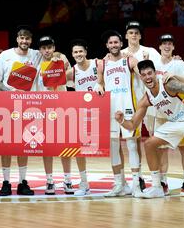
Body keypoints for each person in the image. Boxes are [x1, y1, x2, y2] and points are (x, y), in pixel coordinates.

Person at [115, 59, 184, 201]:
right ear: (141, 77)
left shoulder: (168, 84)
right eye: (144, 75)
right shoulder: (147, 98)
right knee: (149, 144)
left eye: (150, 73)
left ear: (155, 73)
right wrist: (121, 120)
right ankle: (157, 187)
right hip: (175, 122)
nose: (148, 77)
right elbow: (132, 125)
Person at [0, 25, 42, 196]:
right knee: (6, 145)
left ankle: (22, 182)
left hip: (28, 106)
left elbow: (55, 55)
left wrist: (61, 57)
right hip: (7, 105)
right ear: (17, 39)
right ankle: (6, 182)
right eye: (22, 38)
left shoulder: (37, 54)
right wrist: (10, 91)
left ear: (31, 40)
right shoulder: (5, 55)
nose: (24, 41)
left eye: (27, 38)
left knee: (24, 144)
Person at [96, 30, 142, 198]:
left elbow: (142, 74)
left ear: (121, 43)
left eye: (116, 42)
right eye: (111, 43)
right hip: (110, 108)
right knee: (114, 147)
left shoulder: (130, 60)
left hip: (128, 107)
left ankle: (136, 185)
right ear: (107, 45)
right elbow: (99, 83)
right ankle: (119, 185)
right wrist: (99, 87)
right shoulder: (102, 63)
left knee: (131, 145)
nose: (114, 45)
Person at [154, 34, 184, 196]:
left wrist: (175, 76)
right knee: (161, 149)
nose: (166, 46)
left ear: (173, 47)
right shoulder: (154, 62)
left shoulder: (178, 63)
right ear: (159, 47)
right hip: (161, 112)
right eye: (164, 43)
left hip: (179, 113)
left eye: (170, 44)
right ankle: (163, 182)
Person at [121, 21, 161, 190]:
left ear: (140, 35)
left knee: (155, 139)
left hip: (151, 100)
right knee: (132, 141)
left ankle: (159, 180)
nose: (134, 35)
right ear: (126, 35)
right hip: (130, 102)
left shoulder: (150, 52)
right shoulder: (119, 53)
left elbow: (160, 70)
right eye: (131, 32)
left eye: (137, 32)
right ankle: (138, 178)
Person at [36, 35, 76, 195]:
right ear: (40, 50)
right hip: (42, 109)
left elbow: (73, 76)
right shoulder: (35, 63)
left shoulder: (62, 59)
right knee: (47, 147)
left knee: (65, 146)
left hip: (62, 108)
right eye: (44, 48)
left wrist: (65, 67)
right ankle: (50, 181)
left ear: (54, 48)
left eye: (49, 47)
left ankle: (67, 180)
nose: (47, 50)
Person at [65, 39, 97, 196]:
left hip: (101, 109)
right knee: (80, 149)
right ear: (72, 54)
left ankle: (121, 181)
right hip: (84, 112)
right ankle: (84, 183)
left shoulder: (98, 64)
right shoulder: (72, 72)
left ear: (86, 51)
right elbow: (52, 80)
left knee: (113, 145)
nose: (78, 54)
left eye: (80, 51)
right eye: (75, 52)